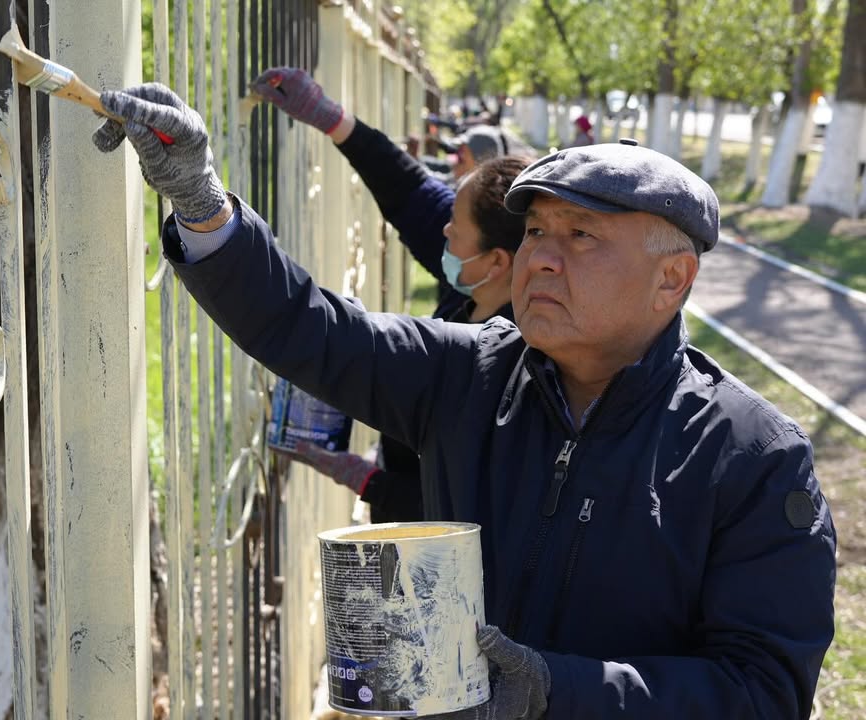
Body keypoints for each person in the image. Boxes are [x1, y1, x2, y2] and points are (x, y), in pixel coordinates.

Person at [93, 83, 837, 719]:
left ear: (671, 280)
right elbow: (309, 327)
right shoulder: (468, 373)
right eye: (539, 229)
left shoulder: (753, 457)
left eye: (581, 235)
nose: (542, 255)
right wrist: (200, 200)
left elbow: (763, 693)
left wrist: (558, 691)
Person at [249, 67, 530, 523]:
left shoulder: (510, 373)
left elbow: (467, 512)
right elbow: (409, 189)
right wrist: (333, 120)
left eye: (454, 228)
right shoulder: (478, 281)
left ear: (497, 261)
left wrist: (363, 479)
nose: (443, 232)